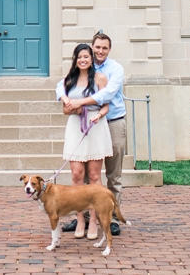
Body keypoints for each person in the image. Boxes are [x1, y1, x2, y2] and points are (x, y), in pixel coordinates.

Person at [56, 42, 112, 240]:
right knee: (77, 174)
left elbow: (106, 106)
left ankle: (94, 221)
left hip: (95, 127)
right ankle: (80, 219)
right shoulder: (68, 81)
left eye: (86, 57)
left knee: (95, 176)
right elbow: (64, 110)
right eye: (79, 57)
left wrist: (98, 116)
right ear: (75, 59)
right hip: (75, 127)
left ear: (91, 59)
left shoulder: (100, 78)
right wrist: (74, 109)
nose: (83, 60)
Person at [88, 31, 126, 236]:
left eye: (104, 47)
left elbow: (109, 93)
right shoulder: (84, 64)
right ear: (92, 47)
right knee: (89, 173)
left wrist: (83, 102)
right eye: (97, 47)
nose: (100, 51)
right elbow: (68, 83)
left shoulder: (116, 69)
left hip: (113, 122)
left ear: (109, 49)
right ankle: (87, 218)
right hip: (91, 123)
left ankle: (111, 218)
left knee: (114, 175)